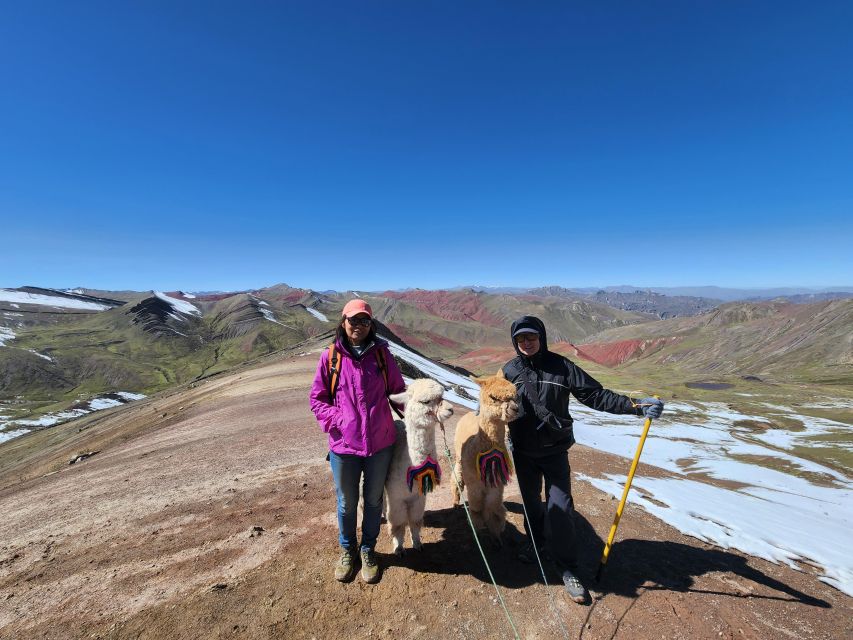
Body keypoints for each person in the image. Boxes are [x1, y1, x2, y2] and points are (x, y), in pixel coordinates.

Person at [502, 315, 664, 604]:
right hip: (523, 452)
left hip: (554, 451)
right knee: (529, 503)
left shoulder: (562, 367)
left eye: (531, 337)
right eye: (521, 339)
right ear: (515, 342)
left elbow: (595, 395)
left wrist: (636, 406)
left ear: (541, 338)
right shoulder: (509, 371)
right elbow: (493, 402)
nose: (526, 343)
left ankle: (567, 567)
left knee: (561, 508)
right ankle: (535, 543)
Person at [309, 299, 405, 584]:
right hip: (344, 446)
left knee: (374, 501)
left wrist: (420, 412)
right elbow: (317, 399)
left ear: (371, 325)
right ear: (343, 322)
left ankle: (368, 550)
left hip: (380, 445)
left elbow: (397, 392)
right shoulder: (331, 358)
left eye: (364, 321)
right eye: (353, 320)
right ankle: (348, 550)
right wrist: (339, 420)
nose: (358, 326)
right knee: (347, 503)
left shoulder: (382, 356)